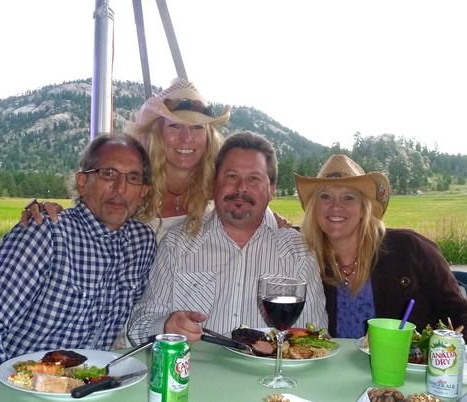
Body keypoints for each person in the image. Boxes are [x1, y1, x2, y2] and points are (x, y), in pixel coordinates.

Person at [0, 134, 156, 402]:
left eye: (133, 178)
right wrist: (13, 394)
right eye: (108, 173)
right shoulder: (45, 231)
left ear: (143, 191)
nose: (120, 188)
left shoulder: (141, 243)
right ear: (82, 182)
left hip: (77, 393)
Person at [294, 154, 467, 357]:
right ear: (314, 207)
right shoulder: (304, 258)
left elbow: (458, 309)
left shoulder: (409, 248)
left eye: (348, 198)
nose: (335, 207)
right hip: (336, 373)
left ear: (364, 208)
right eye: (325, 196)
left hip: (409, 372)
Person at [127, 131, 328, 344]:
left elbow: (315, 337)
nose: (241, 188)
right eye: (231, 176)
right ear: (215, 182)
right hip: (194, 365)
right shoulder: (178, 243)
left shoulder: (298, 251)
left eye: (253, 179)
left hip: (269, 366)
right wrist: (165, 326)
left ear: (271, 189)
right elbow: (138, 326)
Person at [22, 77, 231, 242]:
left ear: (208, 137)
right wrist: (50, 215)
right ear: (157, 133)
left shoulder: (220, 192)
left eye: (197, 128)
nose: (186, 138)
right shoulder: (131, 184)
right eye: (175, 126)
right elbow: (88, 223)